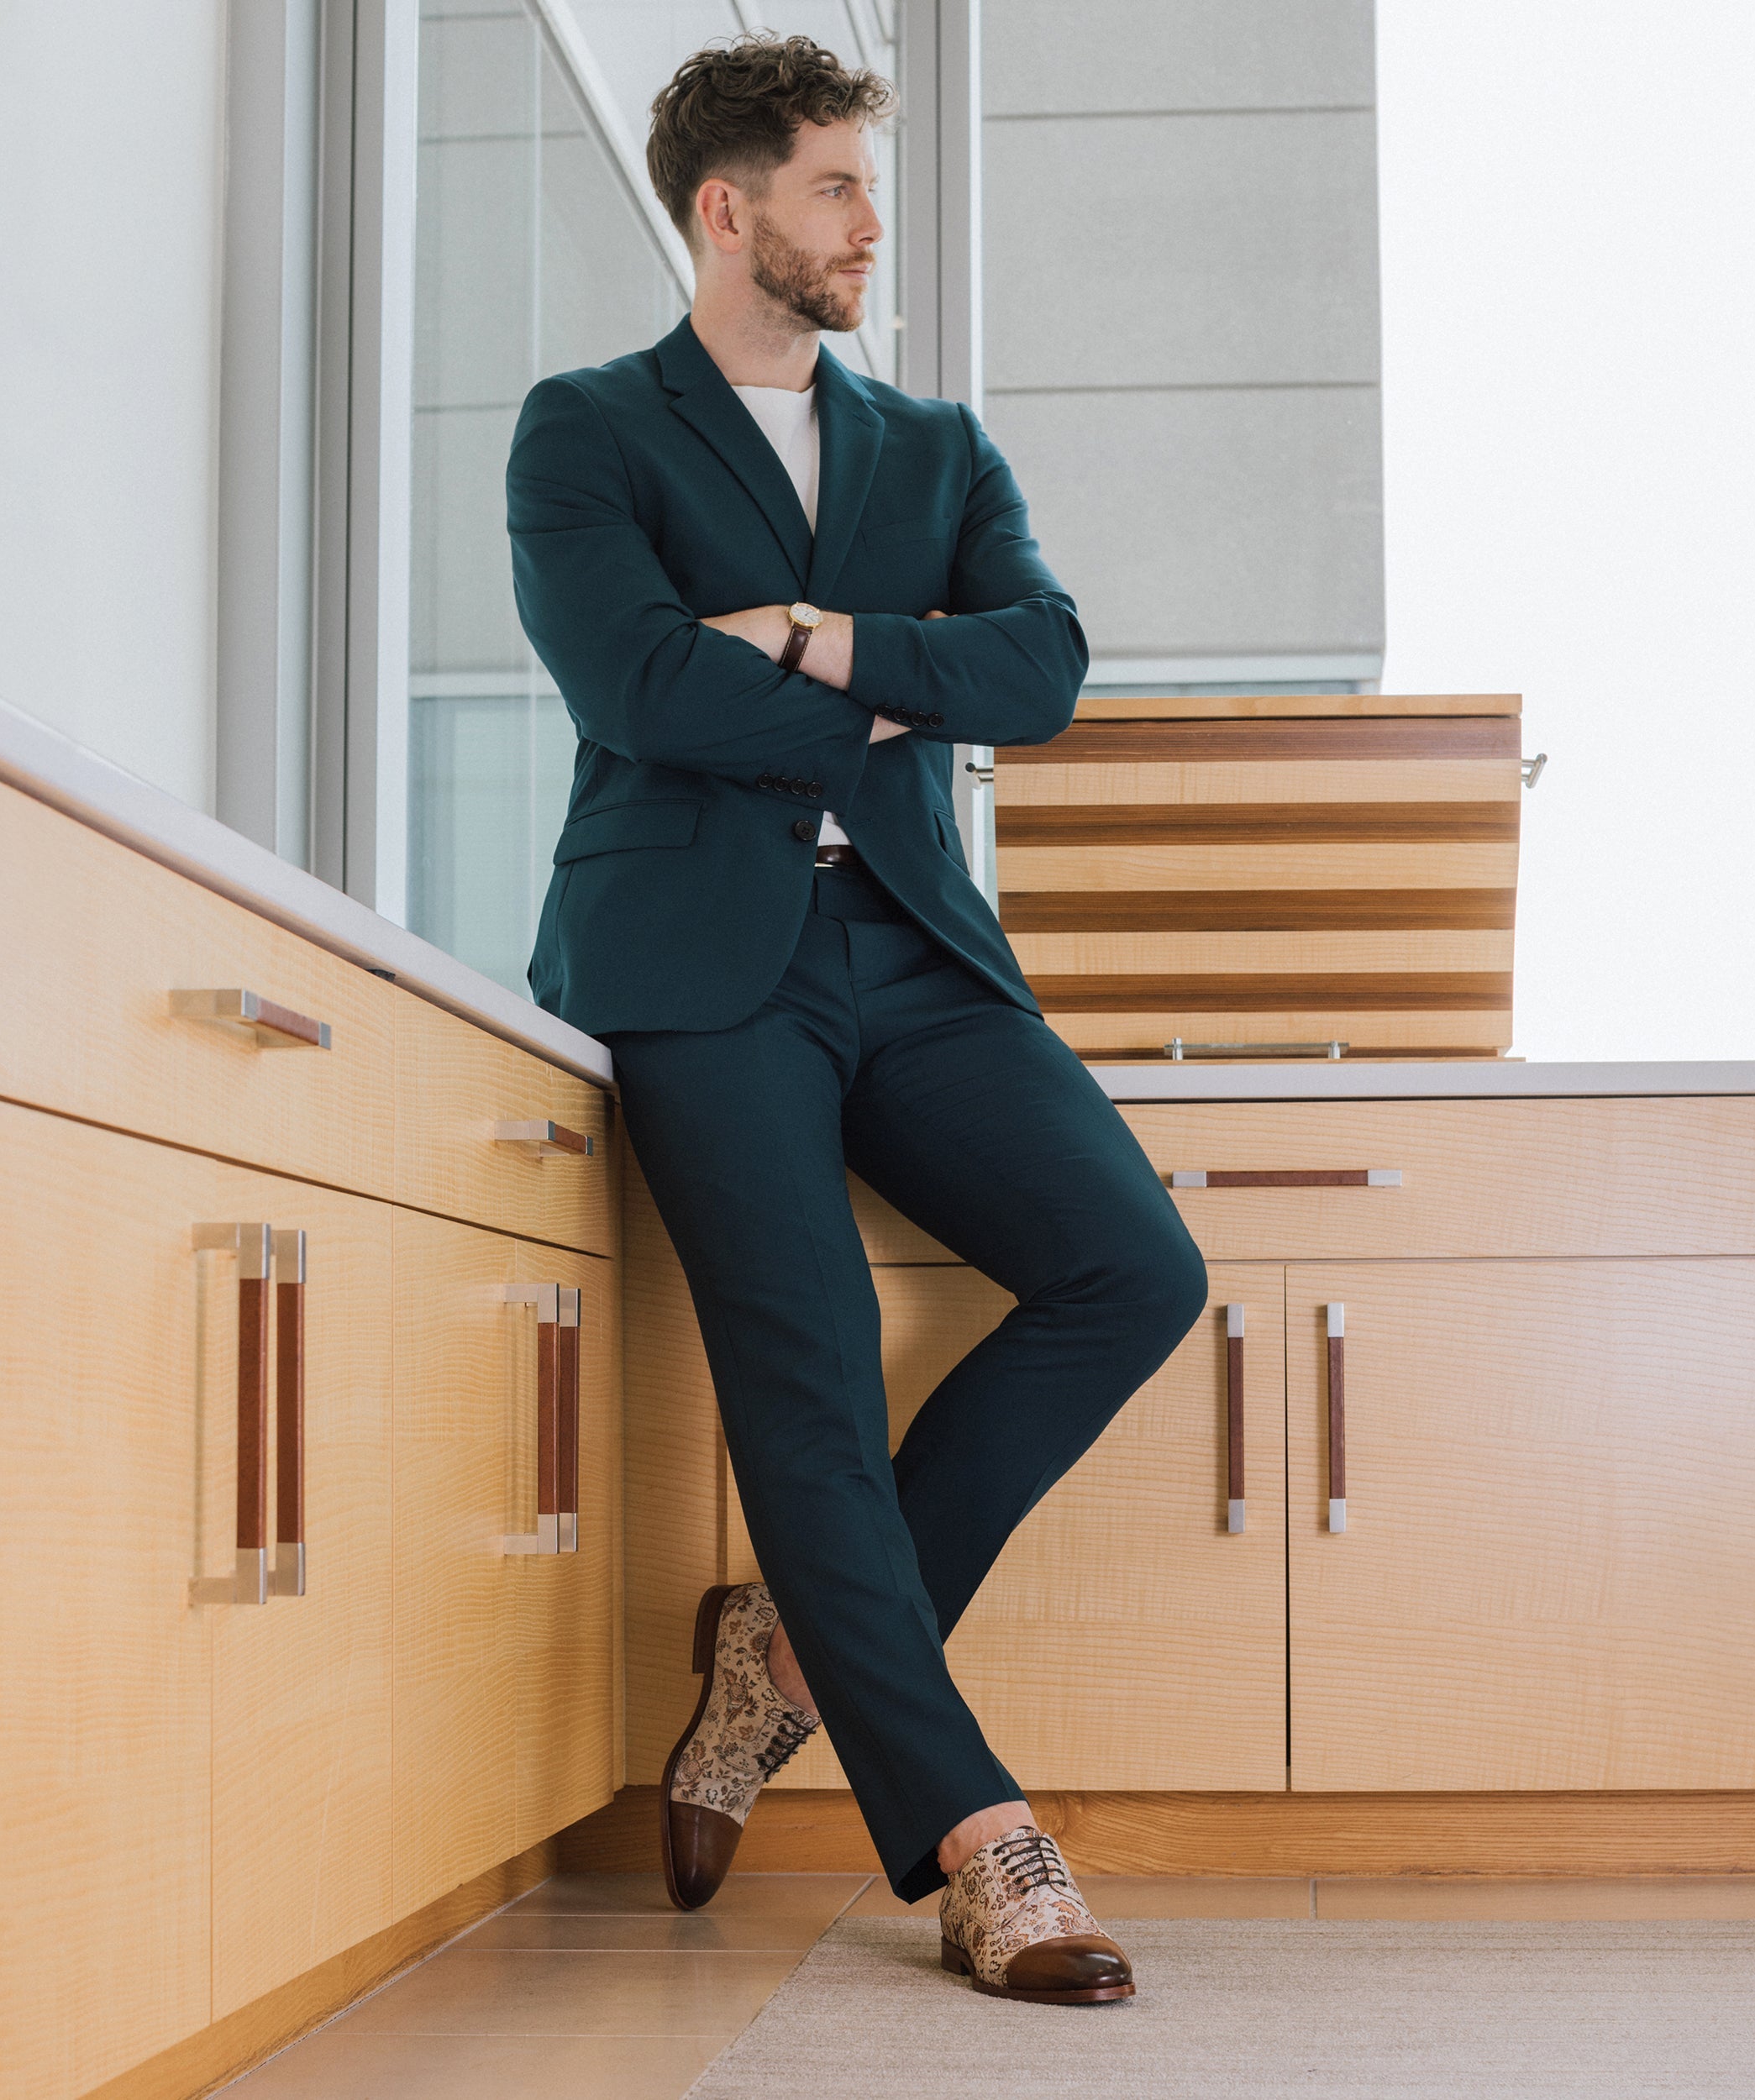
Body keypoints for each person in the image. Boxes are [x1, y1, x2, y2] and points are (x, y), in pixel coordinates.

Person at [509, 33, 1206, 2006]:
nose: (865, 223)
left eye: (866, 185)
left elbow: (1045, 665)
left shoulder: (936, 446)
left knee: (1129, 1267)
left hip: (910, 946)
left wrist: (817, 642)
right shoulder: (584, 431)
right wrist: (919, 680)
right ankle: (983, 1843)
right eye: (829, 186)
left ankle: (784, 1659)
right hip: (694, 964)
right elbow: (645, 695)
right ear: (725, 210)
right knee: (802, 1380)